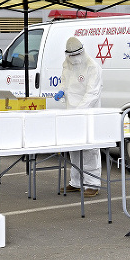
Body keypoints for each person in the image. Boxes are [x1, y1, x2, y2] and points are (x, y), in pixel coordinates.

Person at [54, 36, 103, 196]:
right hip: (71, 113)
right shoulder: (66, 64)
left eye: (75, 55)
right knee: (74, 149)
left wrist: (79, 111)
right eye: (70, 56)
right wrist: (61, 91)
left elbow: (92, 94)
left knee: (90, 150)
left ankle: (93, 184)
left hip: (88, 113)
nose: (73, 59)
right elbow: (64, 81)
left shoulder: (92, 67)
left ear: (81, 52)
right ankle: (75, 182)